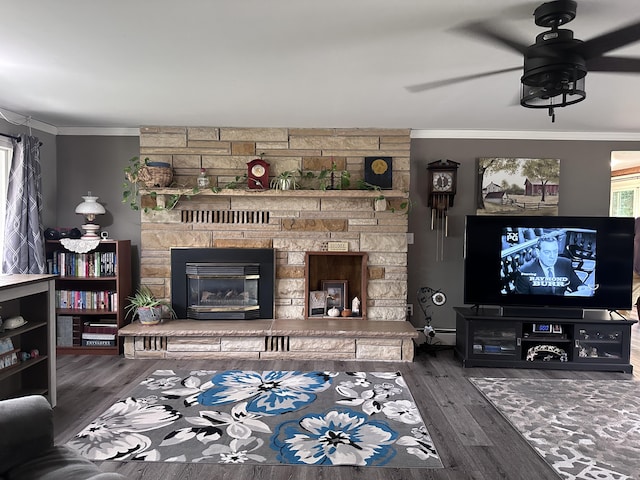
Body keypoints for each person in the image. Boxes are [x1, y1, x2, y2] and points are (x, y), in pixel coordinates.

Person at [515, 235, 591, 296]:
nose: (552, 256)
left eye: (555, 251)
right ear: (538, 252)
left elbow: (577, 284)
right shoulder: (524, 271)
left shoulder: (565, 264)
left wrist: (582, 288)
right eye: (547, 252)